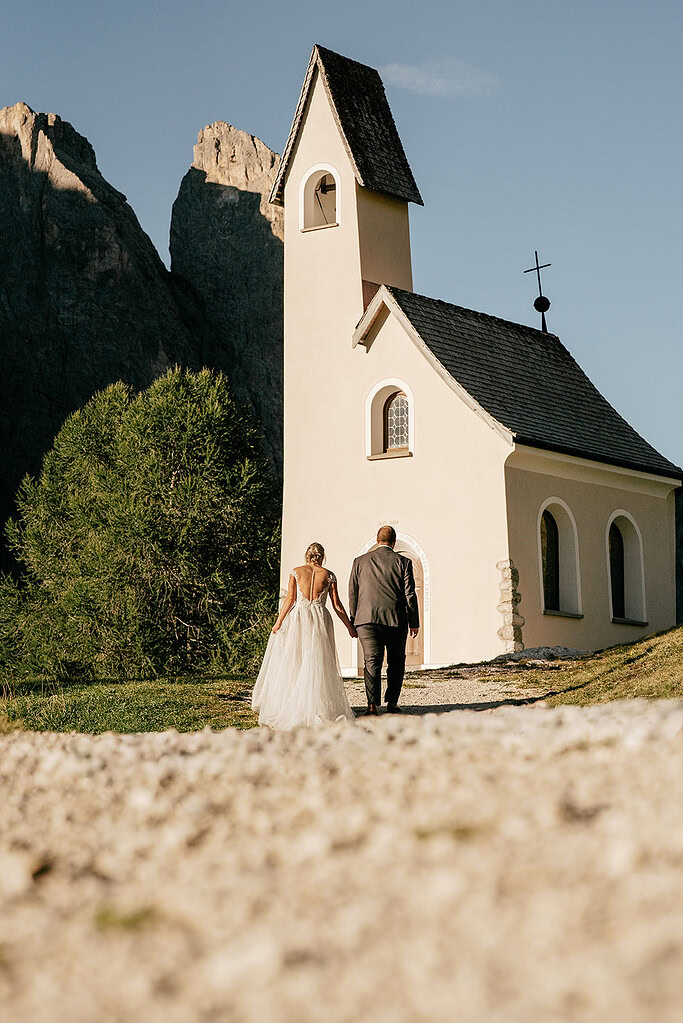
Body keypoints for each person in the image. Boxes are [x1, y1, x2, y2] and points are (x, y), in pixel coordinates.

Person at [252, 542, 357, 729]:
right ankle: (314, 705)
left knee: (297, 660)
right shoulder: (329, 575)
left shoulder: (296, 571)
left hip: (299, 618)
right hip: (319, 619)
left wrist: (278, 622)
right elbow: (337, 605)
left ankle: (294, 705)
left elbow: (290, 599)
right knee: (318, 662)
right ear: (322, 557)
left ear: (307, 556)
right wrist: (349, 627)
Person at [349, 526, 420, 716]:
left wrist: (353, 620)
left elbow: (353, 593)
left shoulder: (359, 562)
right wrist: (414, 621)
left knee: (371, 661)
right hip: (395, 620)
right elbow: (409, 594)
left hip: (366, 620)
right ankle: (392, 703)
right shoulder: (403, 562)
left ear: (376, 540)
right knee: (396, 661)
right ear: (394, 542)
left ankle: (372, 705)